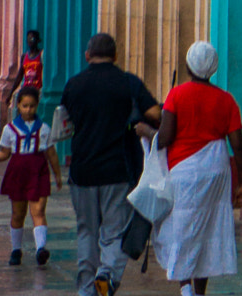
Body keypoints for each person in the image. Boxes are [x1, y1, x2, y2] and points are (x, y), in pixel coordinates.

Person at [60, 32, 161, 296]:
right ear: (116, 56)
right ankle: (107, 274)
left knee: (86, 231)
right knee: (114, 233)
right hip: (118, 170)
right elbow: (156, 114)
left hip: (82, 170)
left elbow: (65, 123)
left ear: (87, 56)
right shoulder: (128, 83)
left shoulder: (74, 85)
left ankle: (85, 288)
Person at [153, 41, 242, 293]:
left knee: (181, 228)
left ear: (188, 66)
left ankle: (185, 288)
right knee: (209, 227)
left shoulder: (176, 95)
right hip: (217, 170)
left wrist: (145, 131)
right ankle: (199, 291)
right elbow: (238, 144)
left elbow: (164, 137)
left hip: (183, 171)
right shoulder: (226, 100)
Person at [0, 84, 63, 266]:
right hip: (18, 172)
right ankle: (15, 249)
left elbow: (51, 153)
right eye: (25, 106)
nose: (28, 110)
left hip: (38, 170)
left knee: (38, 210)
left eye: (32, 106)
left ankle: (40, 249)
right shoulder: (10, 130)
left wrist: (57, 175)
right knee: (18, 213)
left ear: (37, 106)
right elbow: (5, 153)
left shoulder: (43, 129)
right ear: (18, 106)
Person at [5, 29, 45, 109]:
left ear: (37, 41)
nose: (30, 41)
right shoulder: (24, 57)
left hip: (37, 91)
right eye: (28, 39)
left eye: (33, 39)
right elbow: (20, 76)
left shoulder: (42, 55)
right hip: (26, 91)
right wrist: (10, 94)